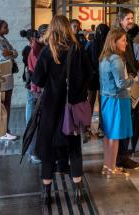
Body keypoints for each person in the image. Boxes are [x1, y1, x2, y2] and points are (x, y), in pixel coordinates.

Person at [32, 15, 92, 205]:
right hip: (71, 109)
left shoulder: (47, 52)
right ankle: (78, 191)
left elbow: (38, 81)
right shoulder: (78, 49)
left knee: (48, 150)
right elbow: (90, 75)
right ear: (68, 29)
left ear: (52, 29)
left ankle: (46, 193)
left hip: (51, 109)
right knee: (74, 149)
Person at [99, 29, 135, 177]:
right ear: (114, 42)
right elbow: (121, 83)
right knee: (115, 136)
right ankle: (112, 169)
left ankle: (107, 166)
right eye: (123, 40)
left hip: (107, 99)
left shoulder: (104, 58)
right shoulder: (116, 59)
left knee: (108, 135)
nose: (126, 43)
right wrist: (134, 79)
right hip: (117, 101)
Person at [115, 8, 139, 169]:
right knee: (125, 120)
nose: (131, 21)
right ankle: (122, 156)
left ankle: (124, 154)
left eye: (132, 18)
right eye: (128, 18)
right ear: (120, 20)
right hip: (125, 85)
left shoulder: (128, 37)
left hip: (131, 82)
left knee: (129, 119)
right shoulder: (119, 37)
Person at [0, 19, 18, 141]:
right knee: (3, 104)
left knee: (7, 103)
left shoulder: (3, 39)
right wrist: (10, 52)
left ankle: (6, 129)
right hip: (2, 73)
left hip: (8, 72)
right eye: (5, 27)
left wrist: (10, 52)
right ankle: (2, 130)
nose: (7, 29)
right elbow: (2, 55)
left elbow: (15, 53)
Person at [26, 24, 48, 164]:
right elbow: (39, 72)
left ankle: (37, 150)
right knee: (35, 121)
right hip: (37, 91)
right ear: (43, 35)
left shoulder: (39, 47)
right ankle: (34, 152)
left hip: (38, 90)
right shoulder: (36, 49)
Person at [86, 23, 110, 138]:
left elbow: (86, 60)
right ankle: (101, 127)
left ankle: (87, 127)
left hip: (92, 77)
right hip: (103, 78)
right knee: (102, 103)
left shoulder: (91, 44)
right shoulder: (107, 46)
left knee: (90, 103)